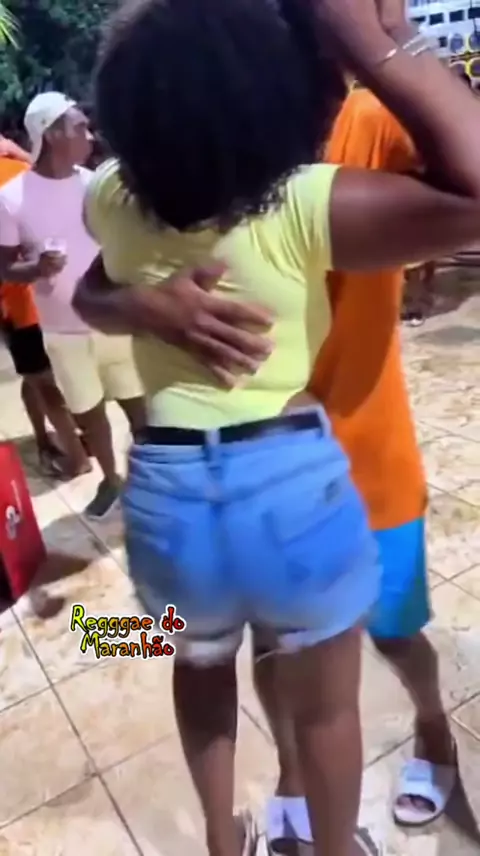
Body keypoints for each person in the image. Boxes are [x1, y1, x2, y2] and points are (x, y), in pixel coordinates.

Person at [73, 0, 480, 853]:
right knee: (318, 696)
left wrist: (132, 297)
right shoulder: (300, 199)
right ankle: (317, 823)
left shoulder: (114, 194)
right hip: (295, 476)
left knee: (215, 656)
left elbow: (95, 269)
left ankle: (242, 831)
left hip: (190, 481)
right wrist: (383, 38)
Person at [252, 86, 456, 848]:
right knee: (271, 645)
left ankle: (435, 730)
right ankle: (291, 773)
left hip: (368, 453)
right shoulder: (224, 131)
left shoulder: (366, 118)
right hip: (262, 467)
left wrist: (392, 49)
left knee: (393, 633)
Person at [0, 92, 145, 519]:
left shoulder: (95, 185)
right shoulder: (11, 198)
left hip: (112, 320)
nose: (90, 135)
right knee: (88, 410)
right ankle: (110, 479)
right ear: (52, 134)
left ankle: (150, 479)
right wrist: (36, 267)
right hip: (63, 330)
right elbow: (5, 267)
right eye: (80, 127)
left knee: (138, 405)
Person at [0, 139, 89, 476]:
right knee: (49, 376)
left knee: (41, 379)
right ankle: (53, 440)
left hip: (20, 304)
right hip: (55, 295)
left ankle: (73, 455)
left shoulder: (17, 173)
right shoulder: (23, 168)